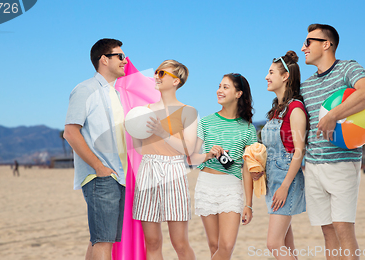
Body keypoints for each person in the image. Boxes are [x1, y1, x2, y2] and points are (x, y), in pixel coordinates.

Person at [300, 24, 365, 260]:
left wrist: (333, 115)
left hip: (342, 162)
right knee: (328, 232)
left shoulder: (347, 68)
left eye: (308, 42)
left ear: (326, 44)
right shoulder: (307, 85)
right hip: (312, 166)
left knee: (344, 229)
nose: (303, 47)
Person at [64, 38, 128, 260]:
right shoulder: (84, 90)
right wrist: (99, 167)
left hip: (118, 176)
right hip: (101, 177)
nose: (124, 60)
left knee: (100, 240)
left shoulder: (118, 95)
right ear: (104, 59)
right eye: (119, 56)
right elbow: (71, 133)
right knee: (103, 242)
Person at [131, 60, 197, 260]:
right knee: (152, 242)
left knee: (180, 243)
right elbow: (140, 149)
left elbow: (189, 148)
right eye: (157, 72)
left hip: (174, 171)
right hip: (148, 168)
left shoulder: (189, 111)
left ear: (176, 81)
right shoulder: (144, 110)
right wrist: (133, 128)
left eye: (162, 73)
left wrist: (161, 131)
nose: (156, 76)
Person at [190, 73, 257, 260]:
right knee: (214, 247)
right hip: (206, 185)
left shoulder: (248, 129)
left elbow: (247, 168)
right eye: (219, 86)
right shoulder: (205, 122)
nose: (219, 90)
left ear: (238, 94)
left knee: (226, 246)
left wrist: (249, 204)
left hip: (231, 188)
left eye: (226, 87)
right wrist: (208, 154)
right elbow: (192, 158)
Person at [254, 51, 307, 259]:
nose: (267, 77)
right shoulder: (276, 110)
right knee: (286, 244)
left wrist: (284, 187)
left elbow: (299, 152)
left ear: (285, 76)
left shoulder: (295, 109)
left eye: (271, 72)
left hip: (287, 182)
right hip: (274, 181)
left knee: (274, 244)